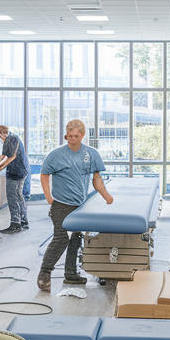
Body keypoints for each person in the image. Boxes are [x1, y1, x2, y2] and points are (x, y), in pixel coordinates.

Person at [39, 119, 112, 290]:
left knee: (75, 238)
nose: (72, 139)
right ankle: (44, 273)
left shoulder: (91, 154)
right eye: (69, 136)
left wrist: (107, 196)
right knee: (61, 238)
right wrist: (48, 196)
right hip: (61, 204)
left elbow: (96, 179)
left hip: (80, 205)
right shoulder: (56, 155)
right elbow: (44, 174)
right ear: (66, 136)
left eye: (76, 136)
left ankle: (71, 274)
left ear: (82, 135)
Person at [0, 125, 28, 234]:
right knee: (18, 196)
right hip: (19, 171)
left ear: (3, 133)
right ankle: (23, 221)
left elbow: (12, 157)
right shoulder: (10, 139)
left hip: (16, 172)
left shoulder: (12, 139)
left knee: (12, 196)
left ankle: (15, 224)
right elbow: (4, 156)